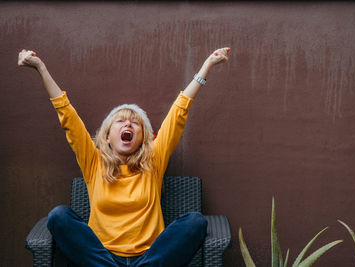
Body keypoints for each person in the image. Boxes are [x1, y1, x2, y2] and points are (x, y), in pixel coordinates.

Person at [18, 47, 230, 267]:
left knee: (195, 221)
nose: (128, 124)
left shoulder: (153, 160)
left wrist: (207, 66)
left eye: (135, 123)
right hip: (102, 258)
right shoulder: (93, 161)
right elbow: (67, 116)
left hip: (150, 258)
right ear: (107, 137)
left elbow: (179, 112)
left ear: (143, 138)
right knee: (59, 216)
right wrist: (40, 68)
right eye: (120, 121)